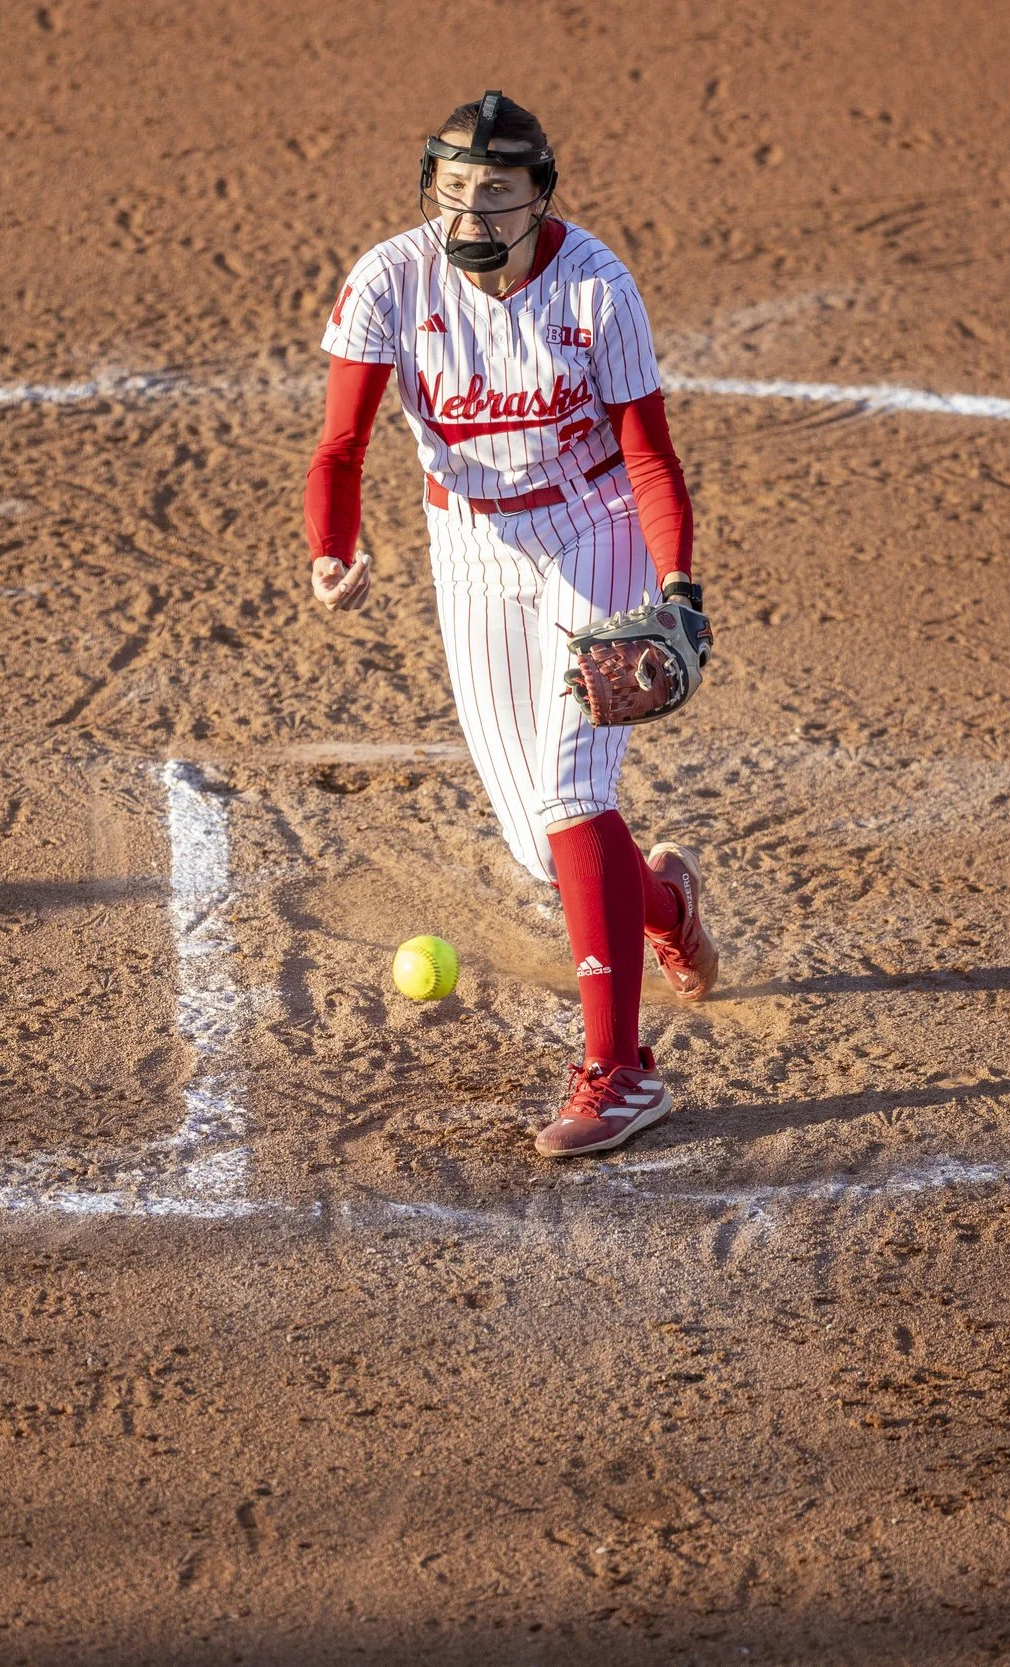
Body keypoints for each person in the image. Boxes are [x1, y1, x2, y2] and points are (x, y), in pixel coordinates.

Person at [302, 90, 721, 1158]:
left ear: (541, 196)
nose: (474, 217)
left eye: (497, 194)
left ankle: (621, 1073)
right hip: (472, 549)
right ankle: (665, 902)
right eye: (454, 194)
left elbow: (650, 456)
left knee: (575, 791)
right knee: (545, 850)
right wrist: (331, 550)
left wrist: (675, 588)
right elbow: (339, 448)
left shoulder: (596, 285)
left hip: (594, 532)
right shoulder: (390, 280)